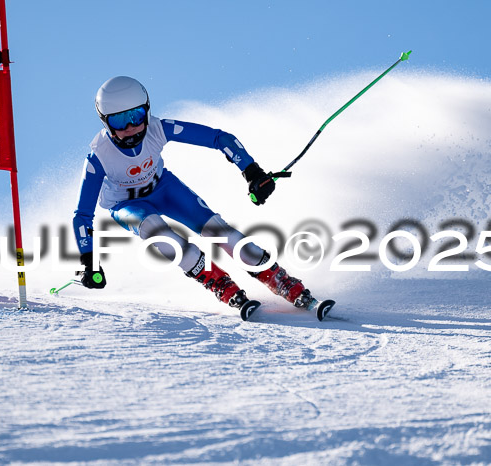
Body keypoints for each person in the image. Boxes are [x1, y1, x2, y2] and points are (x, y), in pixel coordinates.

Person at [73, 76, 319, 316]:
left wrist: (251, 171)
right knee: (158, 232)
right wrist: (89, 262)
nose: (130, 128)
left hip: (164, 189)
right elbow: (82, 215)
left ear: (147, 111)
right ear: (105, 123)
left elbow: (218, 138)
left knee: (220, 232)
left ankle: (281, 281)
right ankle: (219, 283)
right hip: (126, 204)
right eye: (118, 121)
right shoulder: (99, 157)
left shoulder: (158, 129)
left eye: (135, 116)